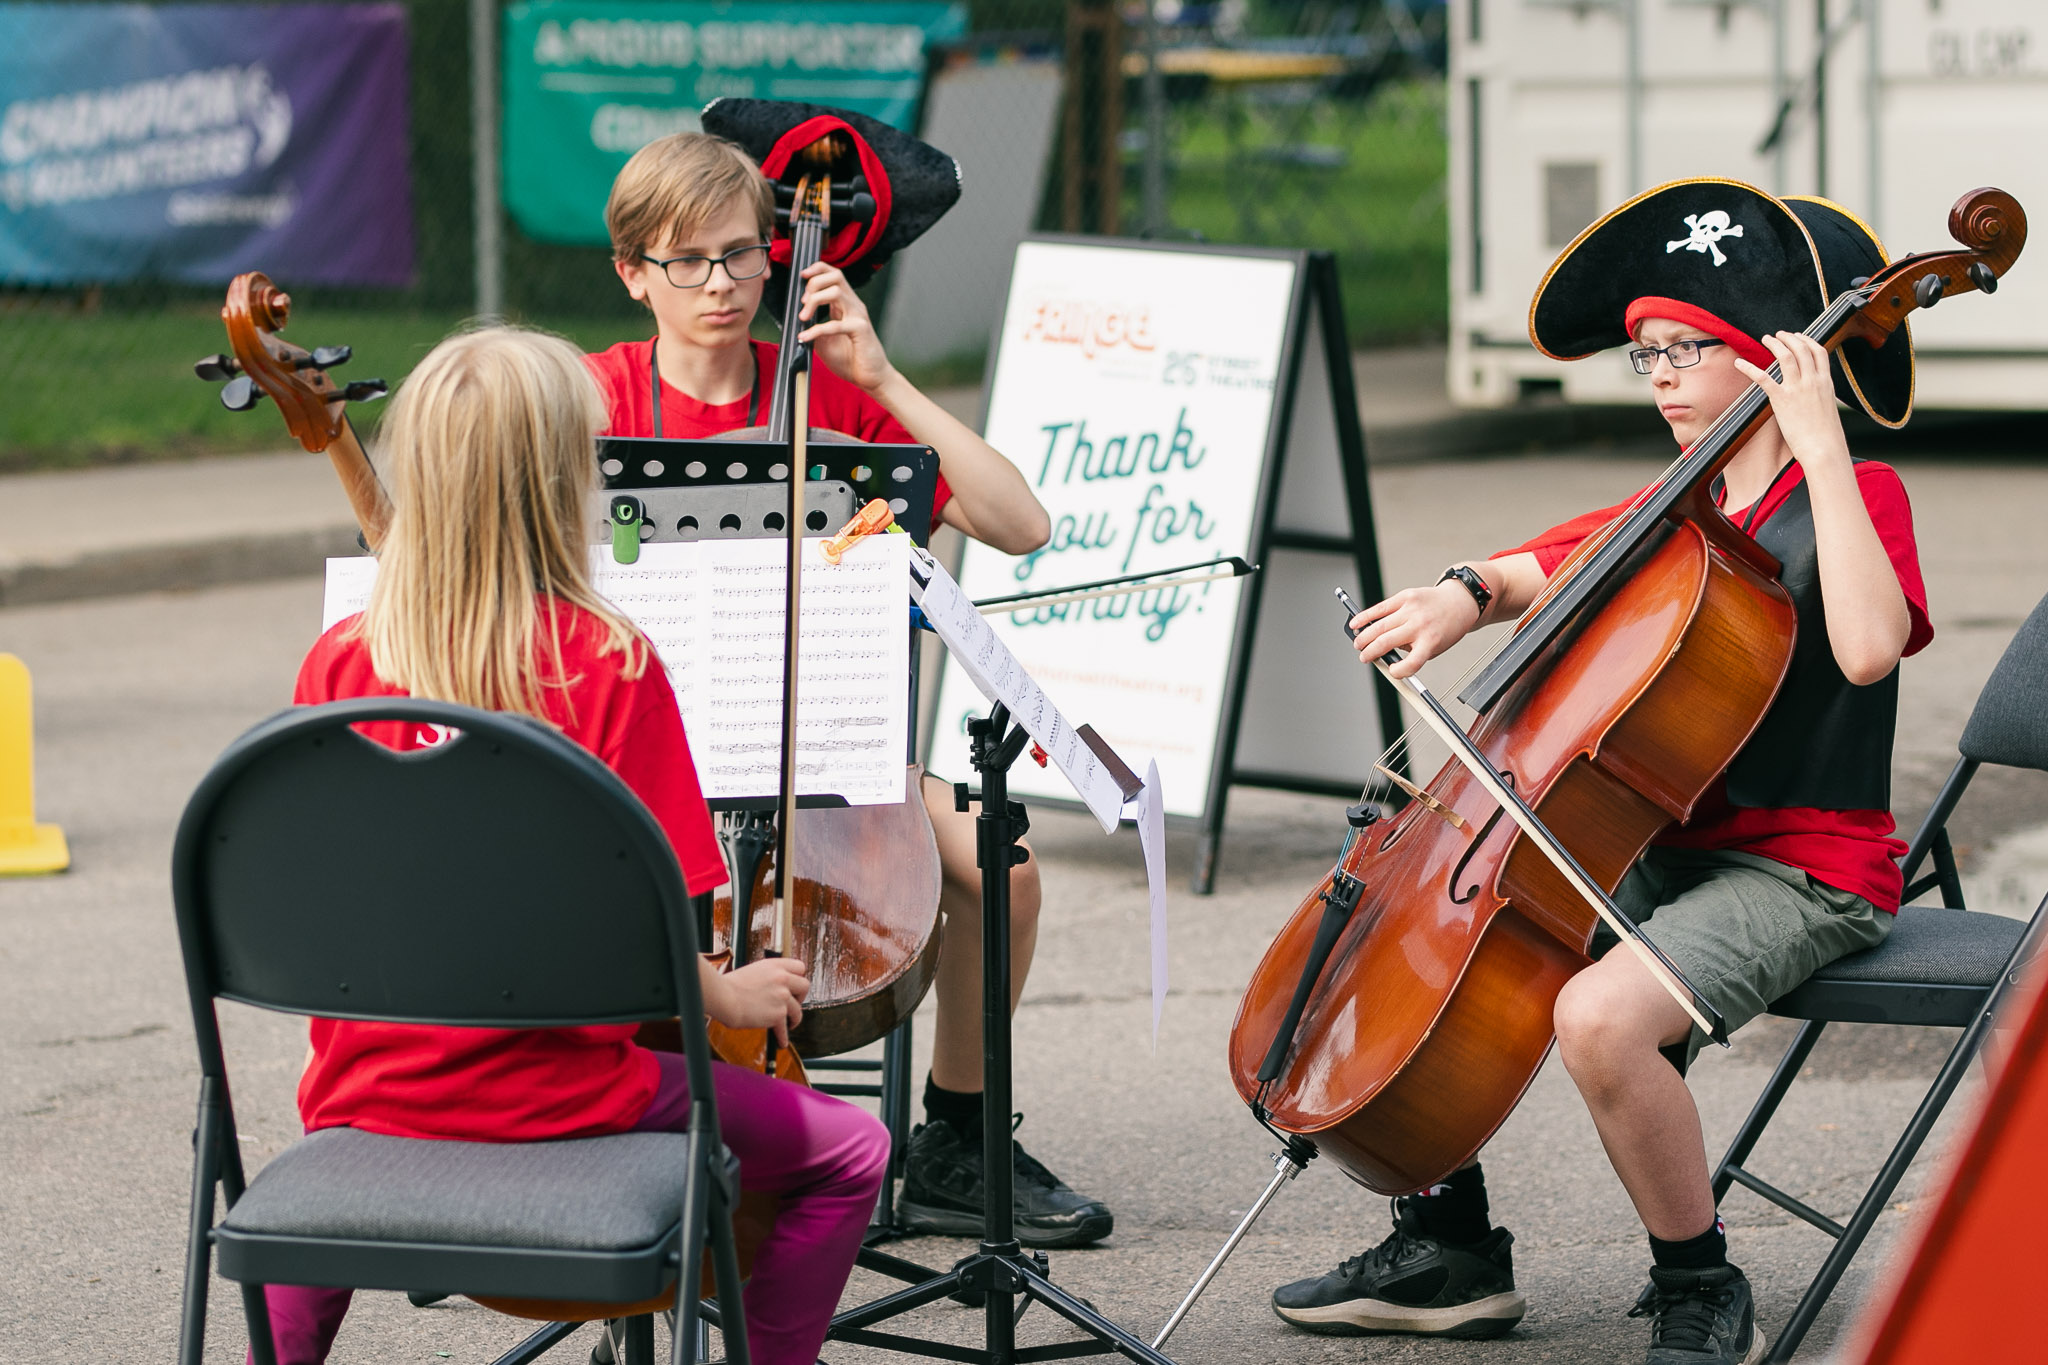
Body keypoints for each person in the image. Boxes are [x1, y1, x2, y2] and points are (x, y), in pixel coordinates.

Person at [1269, 183, 1931, 1365]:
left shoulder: (1851, 496)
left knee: (1597, 1018)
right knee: (1428, 939)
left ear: (1769, 361)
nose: (1664, 376)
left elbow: (1869, 645)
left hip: (1802, 871)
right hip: (1659, 847)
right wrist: (1459, 594)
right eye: (1647, 356)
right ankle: (1449, 1247)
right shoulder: (1675, 501)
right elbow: (1543, 563)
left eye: (1689, 349)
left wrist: (1823, 443)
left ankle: (1699, 1282)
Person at [258, 327, 890, 1365]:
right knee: (851, 1152)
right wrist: (726, 994)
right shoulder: (608, 665)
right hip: (558, 1098)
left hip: (359, 1094)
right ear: (566, 481)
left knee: (331, 1173)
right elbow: (641, 944)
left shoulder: (338, 660)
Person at [582, 130, 1114, 1248]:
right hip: (648, 754)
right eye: (687, 262)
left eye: (740, 254)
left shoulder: (827, 392)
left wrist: (879, 379)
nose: (721, 285)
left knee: (1000, 868)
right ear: (633, 272)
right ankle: (637, 1122)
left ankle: (956, 1142)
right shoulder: (595, 400)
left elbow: (1019, 525)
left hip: (823, 744)